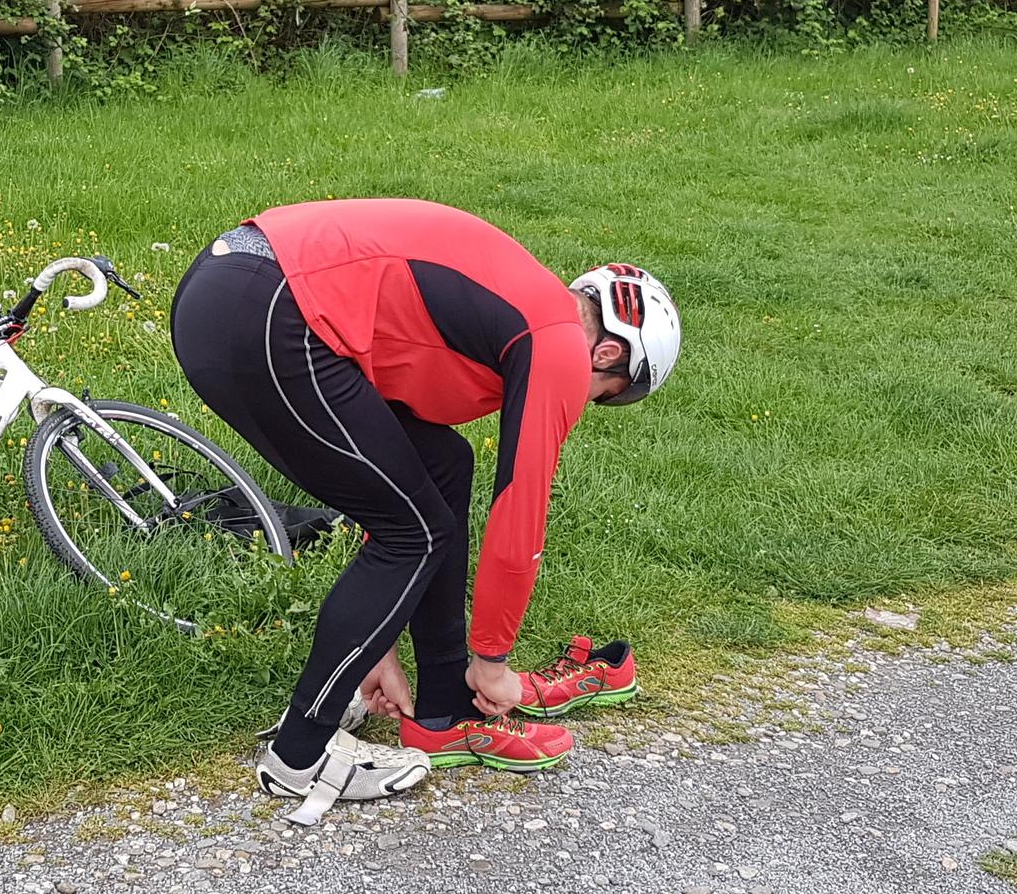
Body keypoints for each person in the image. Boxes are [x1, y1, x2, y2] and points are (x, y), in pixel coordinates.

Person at [169, 199, 680, 823]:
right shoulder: (555, 347)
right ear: (606, 359)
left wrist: (376, 635)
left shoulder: (519, 305)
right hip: (271, 309)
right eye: (606, 396)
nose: (585, 402)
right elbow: (519, 520)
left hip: (232, 284)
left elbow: (383, 469)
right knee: (414, 534)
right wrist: (493, 662)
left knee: (442, 467)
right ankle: (298, 754)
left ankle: (443, 709)